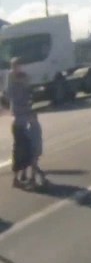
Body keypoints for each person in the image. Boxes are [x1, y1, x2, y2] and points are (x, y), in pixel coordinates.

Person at [1, 57, 47, 189]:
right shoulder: (11, 79)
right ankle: (23, 177)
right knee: (23, 149)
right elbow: (9, 95)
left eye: (19, 66)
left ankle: (26, 176)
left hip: (26, 115)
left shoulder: (24, 78)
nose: (18, 69)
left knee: (29, 148)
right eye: (15, 66)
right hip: (19, 118)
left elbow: (29, 94)